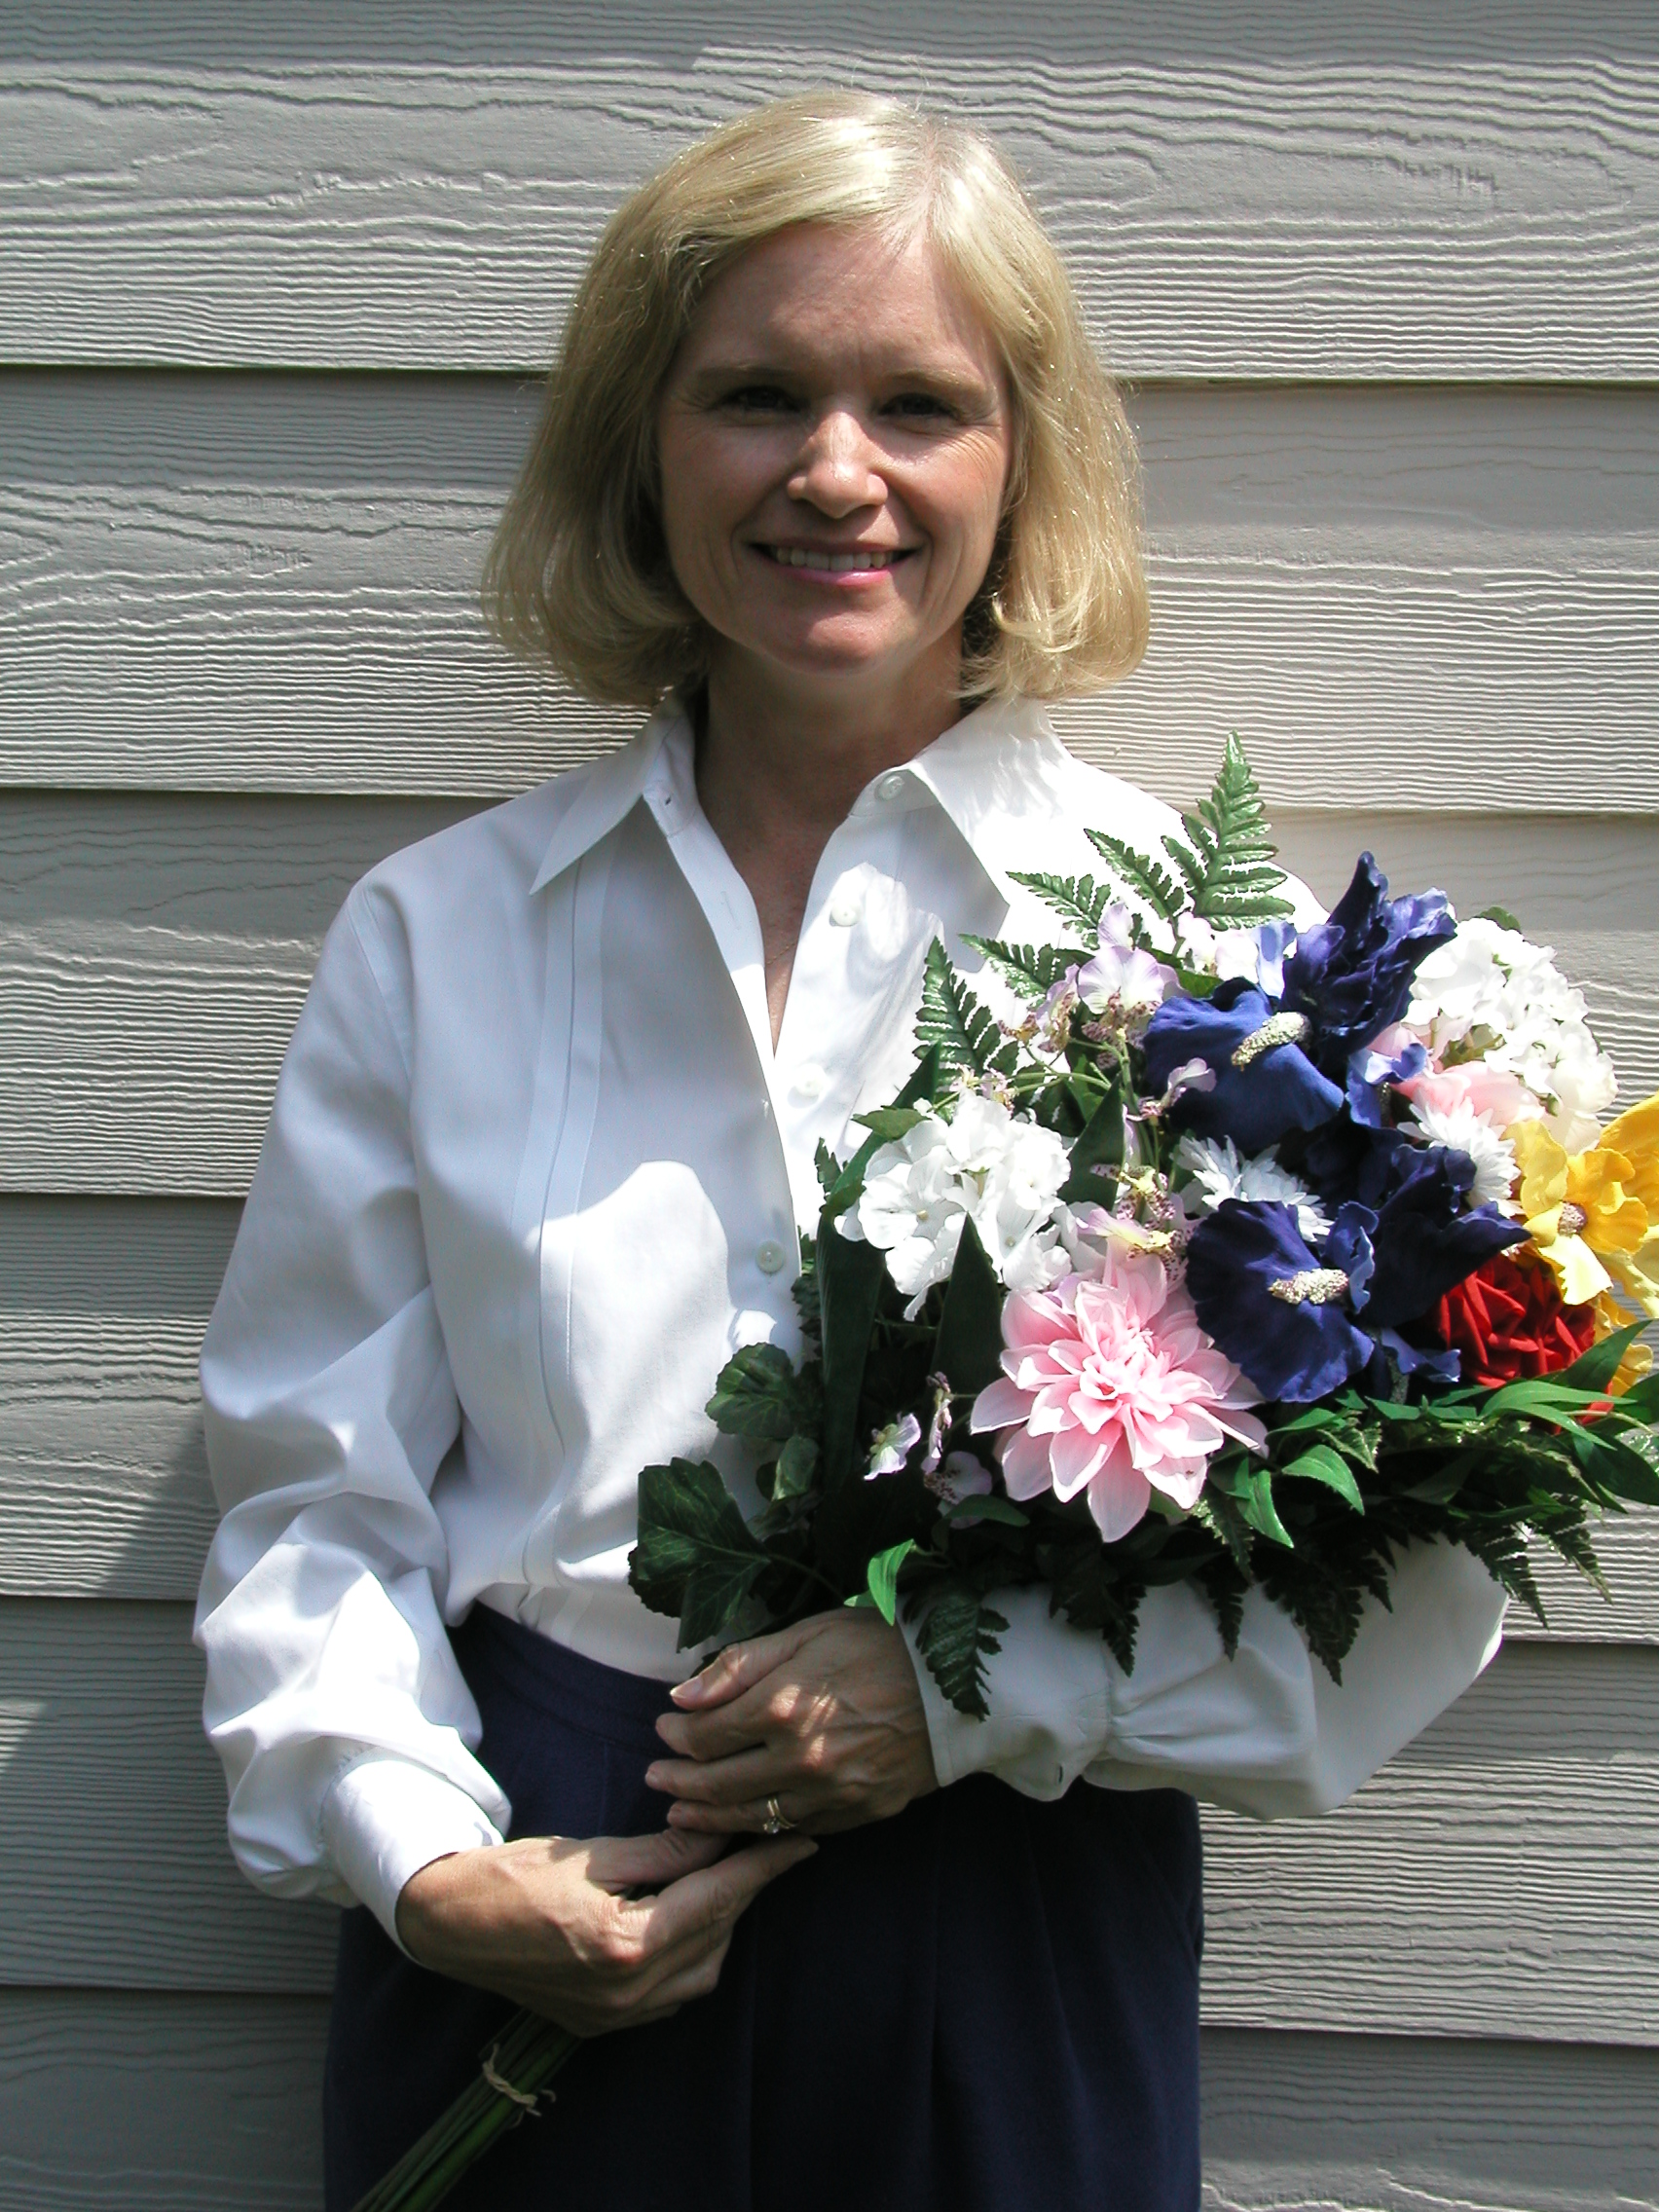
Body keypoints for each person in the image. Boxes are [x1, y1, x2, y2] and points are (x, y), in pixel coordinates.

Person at [195, 92, 1506, 2211]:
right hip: (538, 1911)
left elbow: (1417, 1585)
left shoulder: (1213, 973)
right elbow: (309, 1497)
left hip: (1006, 1922)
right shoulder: (441, 939)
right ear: (641, 444)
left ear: (1022, 457)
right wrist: (417, 1853)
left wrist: (988, 1693)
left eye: (919, 403)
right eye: (755, 395)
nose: (835, 470)